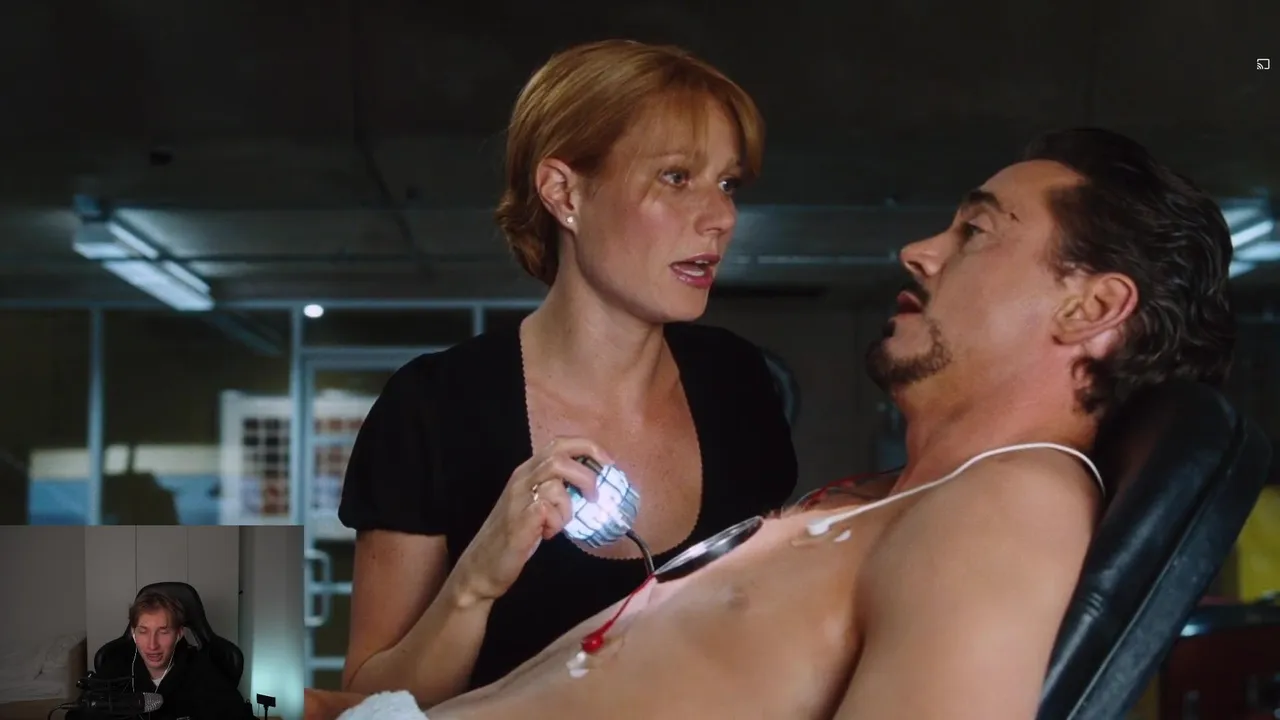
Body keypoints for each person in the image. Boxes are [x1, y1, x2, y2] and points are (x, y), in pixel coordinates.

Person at [319, 127, 1236, 720]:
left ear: (1090, 308)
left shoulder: (1011, 506)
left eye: (976, 232)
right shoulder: (887, 500)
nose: (919, 250)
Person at [336, 38, 799, 708]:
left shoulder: (738, 384)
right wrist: (475, 583)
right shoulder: (432, 408)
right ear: (564, 192)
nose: (721, 217)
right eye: (676, 177)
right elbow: (368, 704)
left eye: (726, 184)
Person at [78, 591, 252, 720]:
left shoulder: (203, 672)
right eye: (143, 631)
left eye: (163, 632)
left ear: (179, 634)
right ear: (133, 633)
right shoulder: (115, 667)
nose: (152, 645)